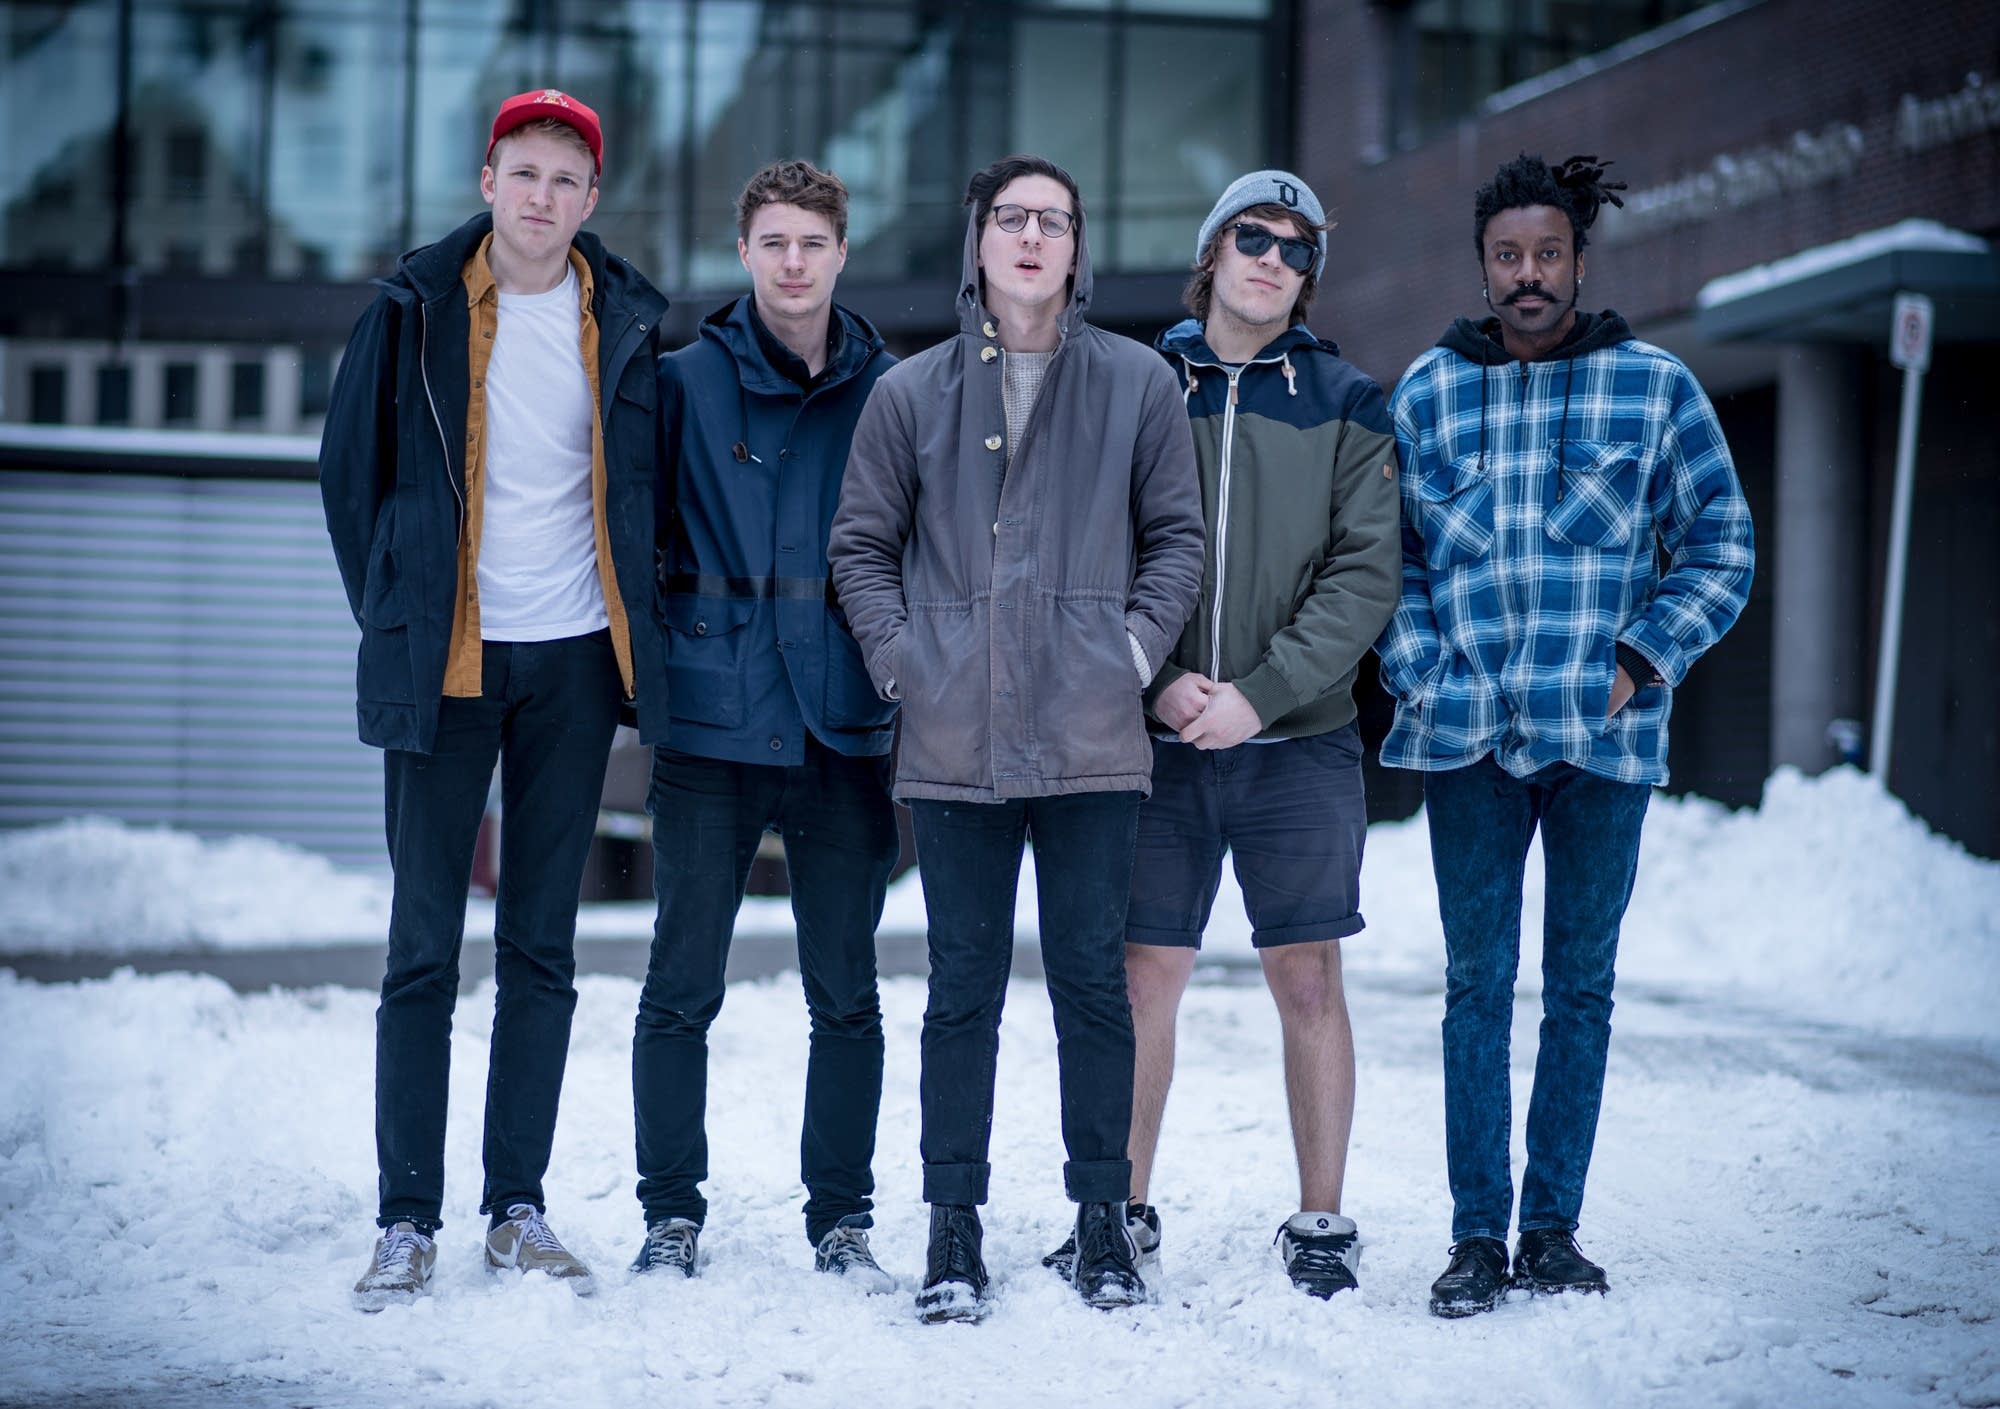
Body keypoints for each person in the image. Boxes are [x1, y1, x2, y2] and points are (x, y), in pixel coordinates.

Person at [1375, 152, 1754, 1318]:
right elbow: (1388, 564)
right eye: (1507, 255)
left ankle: (1549, 1229)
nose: (1526, 273)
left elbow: (1720, 545)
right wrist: (1425, 671)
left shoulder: (1654, 387)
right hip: (1466, 742)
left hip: (1603, 744)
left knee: (1578, 989)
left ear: (1579, 261)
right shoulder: (1428, 392)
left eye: (1546, 253)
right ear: (1482, 265)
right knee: (1474, 989)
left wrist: (1637, 662)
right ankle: (1473, 1236)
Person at [828, 154, 1203, 1322]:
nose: (1032, 237)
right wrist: (907, 661)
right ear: (978, 241)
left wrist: (1128, 654)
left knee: (1092, 984)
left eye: (1054, 220)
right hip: (955, 736)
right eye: (1011, 218)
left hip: (1091, 734)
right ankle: (952, 1224)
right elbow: (859, 548)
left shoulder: (1137, 382)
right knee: (961, 988)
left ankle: (1101, 1221)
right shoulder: (909, 392)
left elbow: (1176, 541)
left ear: (1076, 246)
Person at [320, 89, 670, 1310]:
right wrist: (401, 614)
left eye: (565, 179)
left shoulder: (625, 320)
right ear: (487, 182)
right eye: (523, 172)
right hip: (450, 662)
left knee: (540, 946)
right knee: (422, 947)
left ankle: (515, 1207)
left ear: (590, 199)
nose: (541, 196)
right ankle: (404, 1218)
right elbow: (349, 482)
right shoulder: (409, 310)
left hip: (572, 663)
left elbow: (643, 491)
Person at [1043, 171, 1400, 1298]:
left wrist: (1262, 691)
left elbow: (1364, 573)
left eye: (1297, 249)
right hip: (1150, 739)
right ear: (1211, 253)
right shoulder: (1133, 383)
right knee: (1143, 975)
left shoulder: (1347, 400)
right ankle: (1121, 1214)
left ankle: (1321, 1219)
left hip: (1300, 740)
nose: (1273, 260)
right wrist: (1155, 685)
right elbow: (1089, 545)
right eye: (1253, 237)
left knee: (1308, 975)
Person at [628, 160, 900, 1290]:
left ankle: (841, 1217)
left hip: (844, 722)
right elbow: (631, 536)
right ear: (743, 252)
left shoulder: (893, 389)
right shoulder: (681, 383)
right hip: (712, 723)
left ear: (842, 253)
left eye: (812, 243)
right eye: (773, 242)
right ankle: (669, 1214)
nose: (793, 262)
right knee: (680, 984)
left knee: (846, 992)